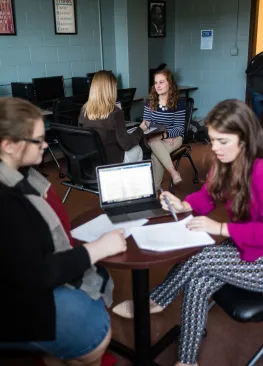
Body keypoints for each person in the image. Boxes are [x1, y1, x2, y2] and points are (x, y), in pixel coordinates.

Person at [113, 99, 263, 366]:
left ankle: (154, 300)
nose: (214, 148)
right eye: (212, 140)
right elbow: (207, 196)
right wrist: (184, 204)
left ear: (245, 139)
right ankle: (187, 361)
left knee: (200, 258)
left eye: (222, 141)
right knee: (197, 282)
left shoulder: (260, 172)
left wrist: (220, 228)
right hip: (243, 247)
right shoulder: (225, 162)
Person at [0, 97, 128, 366]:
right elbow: (36, 273)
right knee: (97, 337)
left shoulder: (20, 177)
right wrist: (97, 249)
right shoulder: (7, 201)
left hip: (20, 281)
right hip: (13, 299)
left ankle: (53, 356)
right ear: (8, 146)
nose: (45, 145)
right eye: (38, 140)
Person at [78, 70, 148, 164]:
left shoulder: (84, 110)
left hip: (91, 161)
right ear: (110, 89)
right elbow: (126, 145)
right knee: (138, 149)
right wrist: (141, 129)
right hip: (112, 160)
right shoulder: (115, 112)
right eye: (115, 86)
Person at [143, 69, 186, 189]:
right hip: (153, 138)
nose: (158, 85)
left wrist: (165, 135)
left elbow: (179, 129)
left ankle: (154, 191)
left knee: (156, 155)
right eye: (156, 83)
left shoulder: (179, 103)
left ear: (170, 84)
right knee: (153, 142)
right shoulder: (150, 102)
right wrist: (158, 134)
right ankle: (173, 172)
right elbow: (147, 125)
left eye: (161, 82)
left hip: (174, 138)